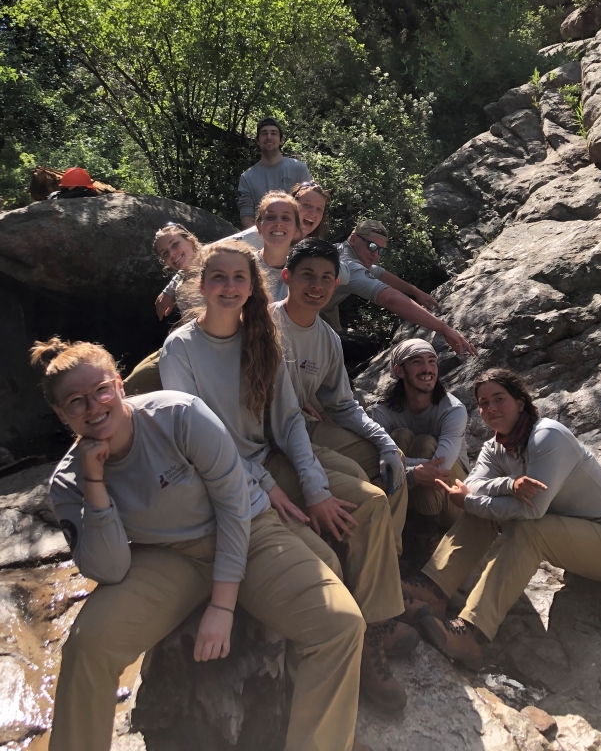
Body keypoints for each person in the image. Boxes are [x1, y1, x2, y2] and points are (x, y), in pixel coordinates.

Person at [36, 337, 368, 751]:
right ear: (60, 413)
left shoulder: (177, 414)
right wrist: (95, 484)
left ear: (120, 385)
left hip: (249, 533)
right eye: (75, 402)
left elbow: (232, 504)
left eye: (101, 390)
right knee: (89, 645)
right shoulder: (69, 481)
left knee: (340, 625)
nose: (93, 406)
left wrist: (222, 605)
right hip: (168, 557)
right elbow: (110, 569)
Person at [159, 240, 415, 711]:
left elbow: (290, 421)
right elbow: (195, 439)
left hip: (267, 459)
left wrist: (316, 488)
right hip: (225, 478)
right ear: (200, 284)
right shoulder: (180, 348)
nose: (230, 286)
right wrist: (266, 485)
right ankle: (331, 661)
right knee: (321, 558)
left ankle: (374, 630)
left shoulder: (264, 338)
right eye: (219, 277)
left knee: (371, 503)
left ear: (254, 285)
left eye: (240, 278)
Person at [403, 368, 601, 670]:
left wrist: (475, 498)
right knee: (480, 510)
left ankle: (473, 635)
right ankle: (433, 588)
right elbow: (472, 485)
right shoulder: (495, 447)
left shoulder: (547, 436)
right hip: (568, 537)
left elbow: (532, 510)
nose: (490, 408)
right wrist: (509, 485)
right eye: (483, 402)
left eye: (499, 399)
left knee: (527, 528)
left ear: (520, 402)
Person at [269, 238, 412, 561]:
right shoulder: (265, 328)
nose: (316, 285)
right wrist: (313, 484)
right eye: (307, 275)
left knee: (394, 458)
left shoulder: (328, 339)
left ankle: (390, 557)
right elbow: (285, 415)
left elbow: (343, 405)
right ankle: (364, 564)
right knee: (360, 483)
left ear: (335, 284)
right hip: (266, 437)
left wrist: (385, 441)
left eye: (325, 278)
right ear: (287, 277)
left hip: (302, 429)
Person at [321, 219, 477, 358]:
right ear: (354, 239)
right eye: (372, 246)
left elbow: (379, 272)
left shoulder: (340, 251)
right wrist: (444, 328)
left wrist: (415, 291)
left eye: (381, 250)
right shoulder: (349, 265)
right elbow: (391, 299)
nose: (376, 254)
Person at [371, 339, 469, 537]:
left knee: (424, 443)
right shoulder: (383, 411)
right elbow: (376, 460)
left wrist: (407, 468)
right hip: (408, 496)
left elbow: (440, 469)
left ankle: (427, 537)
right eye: (417, 362)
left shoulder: (452, 409)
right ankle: (405, 524)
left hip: (452, 500)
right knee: (399, 436)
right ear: (399, 371)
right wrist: (414, 471)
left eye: (432, 361)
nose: (427, 369)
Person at [123, 223, 202, 397]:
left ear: (191, 241)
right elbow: (183, 272)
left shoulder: (215, 263)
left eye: (175, 244)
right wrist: (170, 288)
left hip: (198, 352)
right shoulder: (183, 274)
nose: (172, 254)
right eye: (165, 253)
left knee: (132, 388)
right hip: (180, 343)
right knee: (127, 385)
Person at [237, 117, 311, 228]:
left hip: (296, 239)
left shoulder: (299, 169)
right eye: (264, 133)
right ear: (257, 140)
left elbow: (309, 208)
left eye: (274, 133)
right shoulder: (247, 177)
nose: (269, 137)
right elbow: (247, 218)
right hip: (262, 240)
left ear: (281, 140)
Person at [232, 179, 330, 251]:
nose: (313, 213)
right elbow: (220, 250)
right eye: (307, 205)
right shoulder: (263, 233)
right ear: (292, 206)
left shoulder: (314, 249)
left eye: (319, 209)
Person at [252, 190, 300, 302]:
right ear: (259, 226)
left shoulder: (301, 272)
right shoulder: (244, 267)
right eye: (271, 217)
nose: (278, 223)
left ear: (296, 230)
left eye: (285, 218)